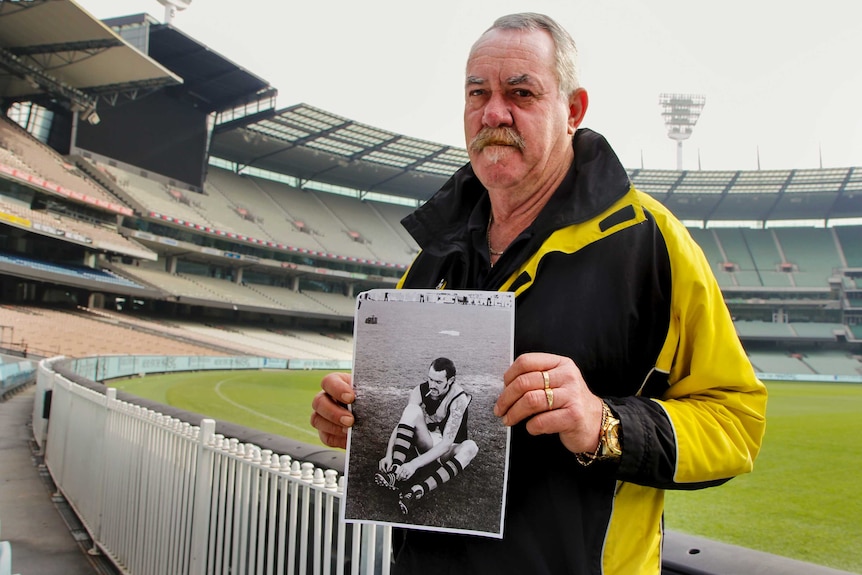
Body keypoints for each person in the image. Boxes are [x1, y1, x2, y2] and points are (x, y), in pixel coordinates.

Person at [311, 12, 767, 574]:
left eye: (520, 92)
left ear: (572, 111)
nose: (493, 112)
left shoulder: (652, 245)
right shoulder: (431, 258)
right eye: (477, 92)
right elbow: (402, 420)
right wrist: (352, 418)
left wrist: (603, 423)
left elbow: (737, 423)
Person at [373, 357, 478, 515]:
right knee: (412, 410)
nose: (432, 385)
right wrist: (388, 454)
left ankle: (417, 491)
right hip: (427, 441)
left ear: (451, 380)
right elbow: (404, 421)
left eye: (438, 382)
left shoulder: (459, 399)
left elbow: (446, 445)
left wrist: (413, 464)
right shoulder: (420, 390)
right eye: (430, 379)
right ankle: (394, 472)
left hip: (448, 449)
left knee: (471, 448)